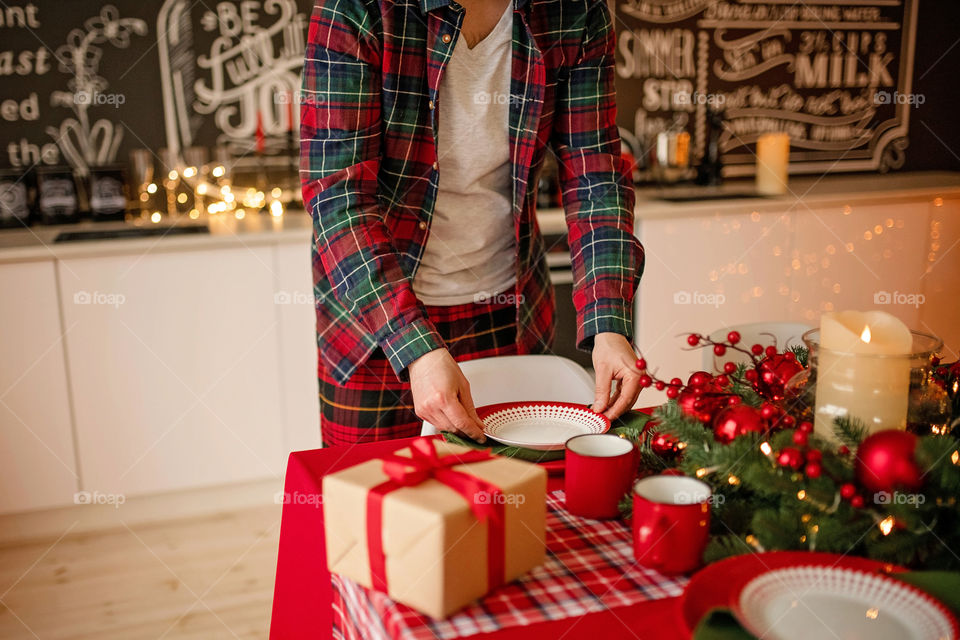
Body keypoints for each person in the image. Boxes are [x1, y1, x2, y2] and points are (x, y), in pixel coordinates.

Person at [301, 0, 645, 447]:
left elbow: (595, 175)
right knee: (369, 503)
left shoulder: (574, 10)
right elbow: (338, 195)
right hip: (374, 320)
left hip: (508, 310)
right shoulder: (356, 9)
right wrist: (416, 347)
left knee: (507, 502)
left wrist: (609, 322)